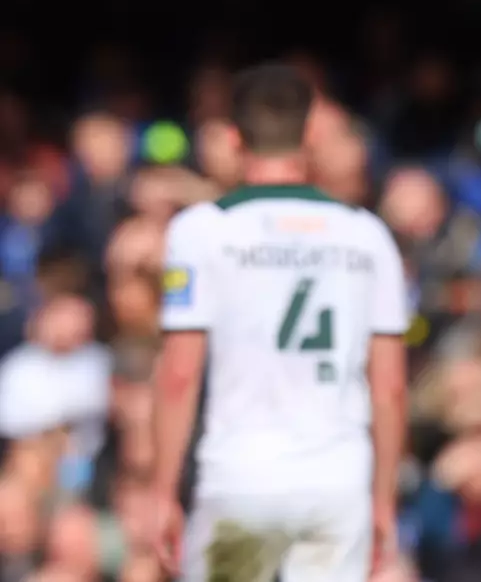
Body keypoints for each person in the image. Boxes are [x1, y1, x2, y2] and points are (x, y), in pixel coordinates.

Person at [148, 63, 410, 582]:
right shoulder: (367, 235)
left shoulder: (201, 232)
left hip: (240, 477)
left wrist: (161, 492)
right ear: (310, 134)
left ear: (233, 136)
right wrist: (382, 499)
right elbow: (390, 386)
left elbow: (179, 374)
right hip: (337, 479)